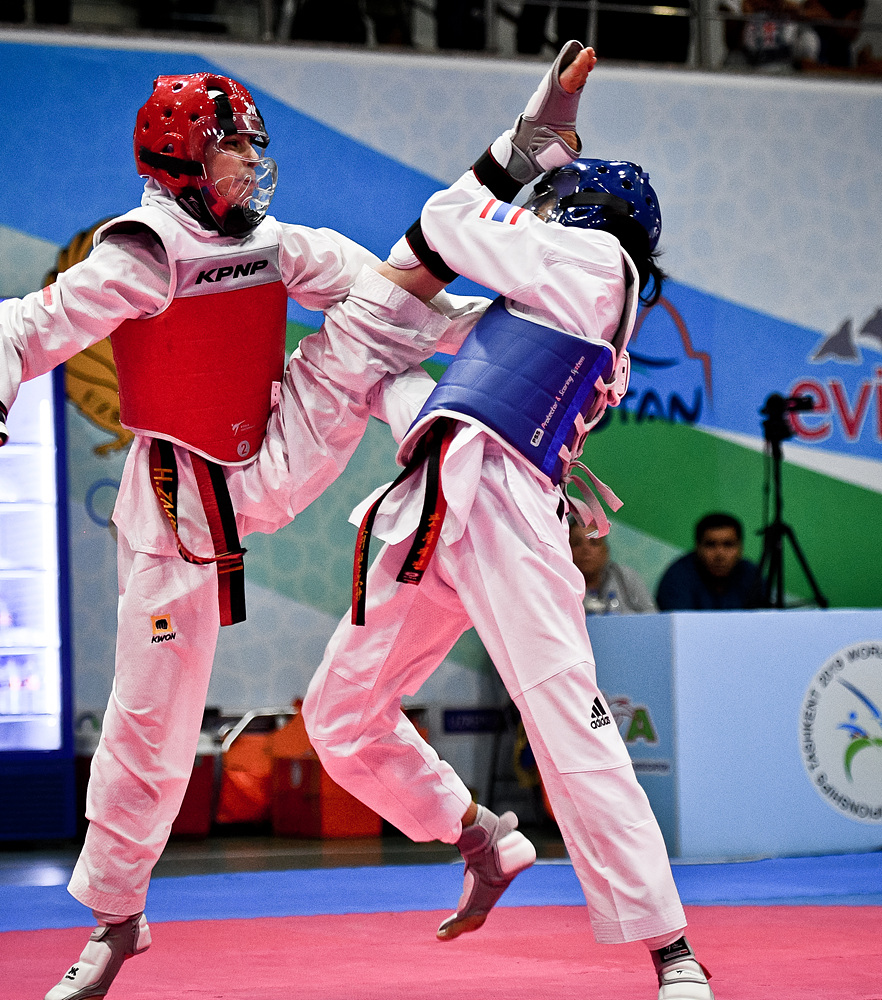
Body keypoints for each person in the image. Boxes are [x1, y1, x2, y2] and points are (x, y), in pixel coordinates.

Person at [0, 72, 476, 1000]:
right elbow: (31, 324)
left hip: (270, 461)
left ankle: (445, 427)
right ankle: (116, 923)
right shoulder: (140, 254)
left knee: (368, 330)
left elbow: (372, 289)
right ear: (187, 162)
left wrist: (470, 329)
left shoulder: (272, 243)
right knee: (149, 726)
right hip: (176, 512)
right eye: (235, 148)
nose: (253, 163)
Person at [300, 43, 715, 1000]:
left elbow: (446, 222)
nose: (534, 214)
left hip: (508, 505)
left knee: (568, 719)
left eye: (548, 202)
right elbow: (430, 303)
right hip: (433, 497)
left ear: (577, 213)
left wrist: (534, 144)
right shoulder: (558, 287)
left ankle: (671, 949)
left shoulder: (596, 263)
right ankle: (479, 833)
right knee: (338, 715)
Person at [655, 513, 765, 611]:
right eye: (710, 545)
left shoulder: (751, 574)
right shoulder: (678, 577)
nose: (720, 554)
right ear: (698, 547)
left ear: (740, 548)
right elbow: (680, 628)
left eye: (728, 544)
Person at [570, 516, 656, 614]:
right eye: (576, 543)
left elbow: (653, 617)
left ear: (606, 550)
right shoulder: (561, 584)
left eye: (594, 543)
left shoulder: (624, 577)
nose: (586, 550)